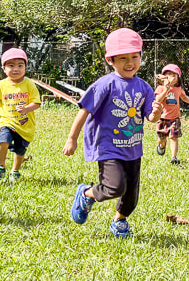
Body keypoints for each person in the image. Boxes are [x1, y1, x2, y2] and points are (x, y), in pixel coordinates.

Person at [62, 28, 159, 237]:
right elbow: (84, 110)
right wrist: (72, 138)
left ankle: (119, 221)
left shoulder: (144, 87)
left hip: (133, 148)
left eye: (134, 56)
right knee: (114, 187)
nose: (130, 62)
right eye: (123, 58)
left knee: (131, 196)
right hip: (108, 146)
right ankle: (87, 193)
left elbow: (150, 117)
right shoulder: (105, 84)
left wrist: (157, 113)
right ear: (111, 60)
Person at [0, 48, 41, 182]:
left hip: (25, 125)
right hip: (8, 121)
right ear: (4, 68)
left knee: (20, 150)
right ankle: (0, 168)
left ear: (25, 67)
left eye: (20, 65)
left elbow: (36, 103)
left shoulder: (29, 84)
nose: (16, 69)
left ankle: (15, 171)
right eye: (11, 65)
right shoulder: (1, 85)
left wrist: (26, 109)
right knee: (3, 140)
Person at [151, 64, 189, 165]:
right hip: (162, 118)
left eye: (174, 75)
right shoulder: (160, 88)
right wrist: (166, 89)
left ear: (178, 79)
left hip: (175, 119)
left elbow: (184, 97)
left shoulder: (178, 89)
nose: (171, 77)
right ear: (164, 77)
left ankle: (174, 157)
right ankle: (162, 145)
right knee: (161, 139)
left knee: (174, 137)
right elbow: (157, 100)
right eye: (168, 75)